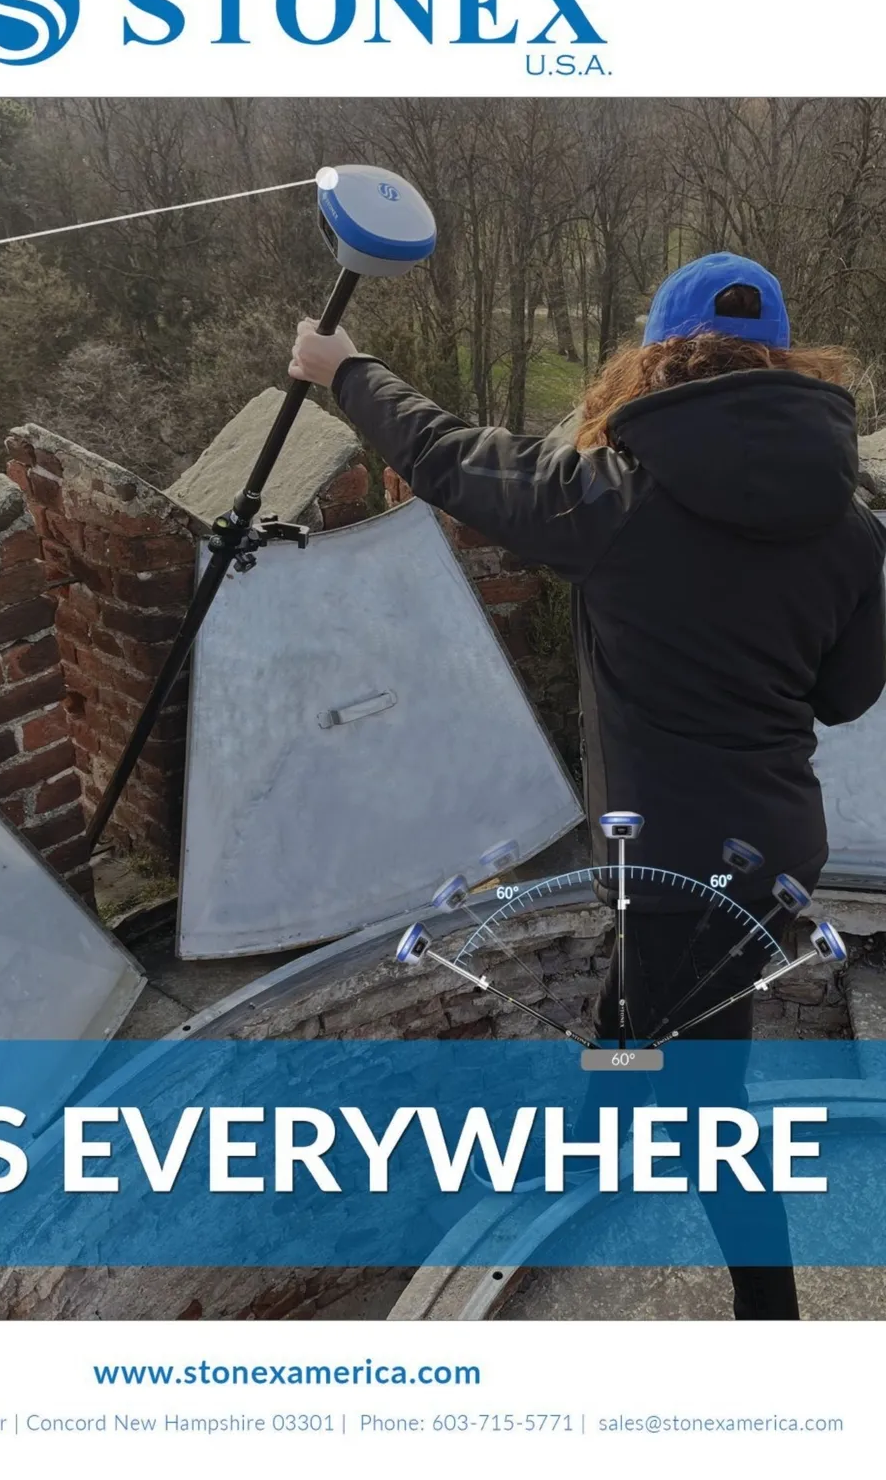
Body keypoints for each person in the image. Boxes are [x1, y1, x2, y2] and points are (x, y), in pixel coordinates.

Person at [290, 251, 886, 1319]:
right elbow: (844, 697)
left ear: (655, 362)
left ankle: (772, 1323)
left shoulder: (609, 503)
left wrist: (343, 369)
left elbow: (447, 456)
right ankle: (609, 1156)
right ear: (786, 364)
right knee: (634, 1027)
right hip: (777, 847)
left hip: (680, 874)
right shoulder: (853, 530)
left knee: (708, 1111)